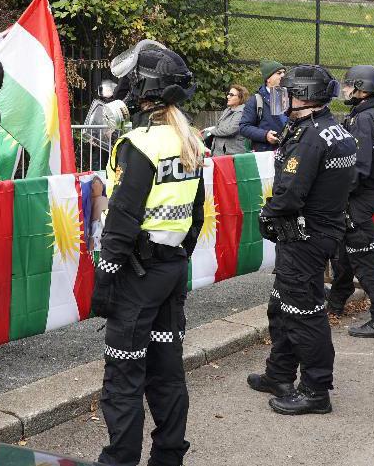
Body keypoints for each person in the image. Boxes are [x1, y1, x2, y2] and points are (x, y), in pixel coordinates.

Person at [90, 44, 205, 466]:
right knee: (166, 369)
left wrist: (106, 275)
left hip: (137, 275)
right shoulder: (190, 140)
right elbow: (196, 213)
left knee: (123, 375)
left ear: (142, 89)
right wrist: (177, 256)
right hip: (170, 268)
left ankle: (119, 460)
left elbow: (122, 217)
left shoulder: (140, 144)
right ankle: (169, 456)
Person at [247, 65, 357, 416]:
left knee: (304, 313)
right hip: (316, 232)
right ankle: (279, 374)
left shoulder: (310, 137)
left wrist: (269, 213)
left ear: (305, 97)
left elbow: (292, 193)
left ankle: (315, 390)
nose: (284, 99)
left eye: (289, 93)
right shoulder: (331, 129)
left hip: (305, 236)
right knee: (283, 305)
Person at [328, 65, 374, 338]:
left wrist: (336, 195)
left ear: (362, 89)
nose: (345, 89)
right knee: (345, 252)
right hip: (373, 192)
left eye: (349, 85)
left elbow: (357, 167)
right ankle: (336, 300)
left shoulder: (362, 121)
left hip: (359, 195)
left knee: (367, 260)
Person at [239, 60, 288, 152]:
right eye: (279, 73)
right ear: (268, 79)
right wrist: (265, 135)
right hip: (267, 154)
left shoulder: (290, 97)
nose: (283, 75)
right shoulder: (256, 100)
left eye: (284, 73)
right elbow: (244, 127)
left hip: (289, 151)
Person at [203, 84, 249, 156]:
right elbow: (219, 127)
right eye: (228, 94)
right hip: (219, 153)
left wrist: (211, 131)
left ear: (240, 98)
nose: (228, 96)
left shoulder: (242, 113)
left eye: (231, 95)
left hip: (232, 155)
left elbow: (230, 130)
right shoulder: (227, 110)